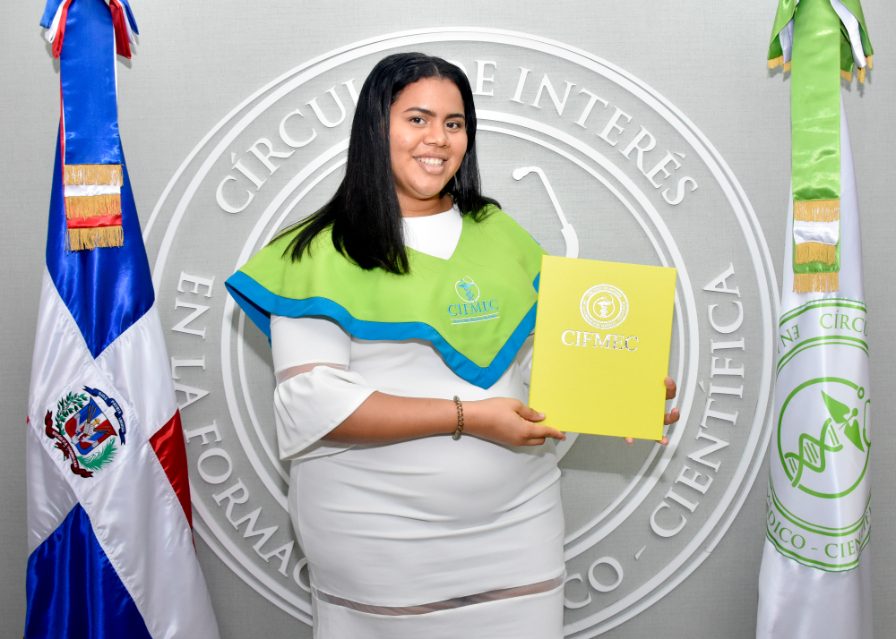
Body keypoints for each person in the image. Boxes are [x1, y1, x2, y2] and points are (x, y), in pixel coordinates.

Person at [226, 52, 679, 639]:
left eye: (454, 123)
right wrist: (470, 417)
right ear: (375, 128)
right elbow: (315, 406)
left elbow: (540, 367)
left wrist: (615, 394)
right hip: (377, 538)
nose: (437, 139)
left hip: (520, 528)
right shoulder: (314, 252)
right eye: (417, 119)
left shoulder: (500, 233)